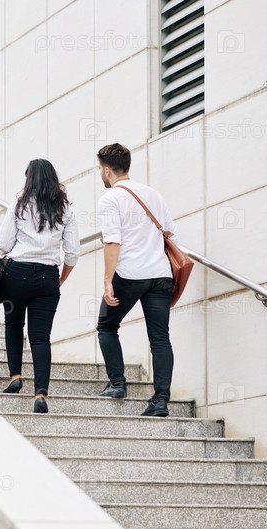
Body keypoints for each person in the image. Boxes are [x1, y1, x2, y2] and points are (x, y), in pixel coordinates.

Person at [95, 143, 177, 417]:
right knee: (160, 338)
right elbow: (170, 232)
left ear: (107, 170)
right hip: (160, 275)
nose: (101, 174)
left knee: (107, 325)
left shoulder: (110, 199)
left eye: (100, 169)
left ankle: (117, 383)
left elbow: (112, 242)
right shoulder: (153, 194)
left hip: (130, 274)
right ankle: (160, 400)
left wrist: (108, 280)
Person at [0, 159, 79, 414]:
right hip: (47, 276)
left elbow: (4, 244)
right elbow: (73, 253)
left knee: (13, 325)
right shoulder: (65, 209)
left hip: (16, 273)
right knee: (41, 337)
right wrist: (60, 278)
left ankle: (15, 376)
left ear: (29, 179)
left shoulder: (18, 206)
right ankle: (41, 393)